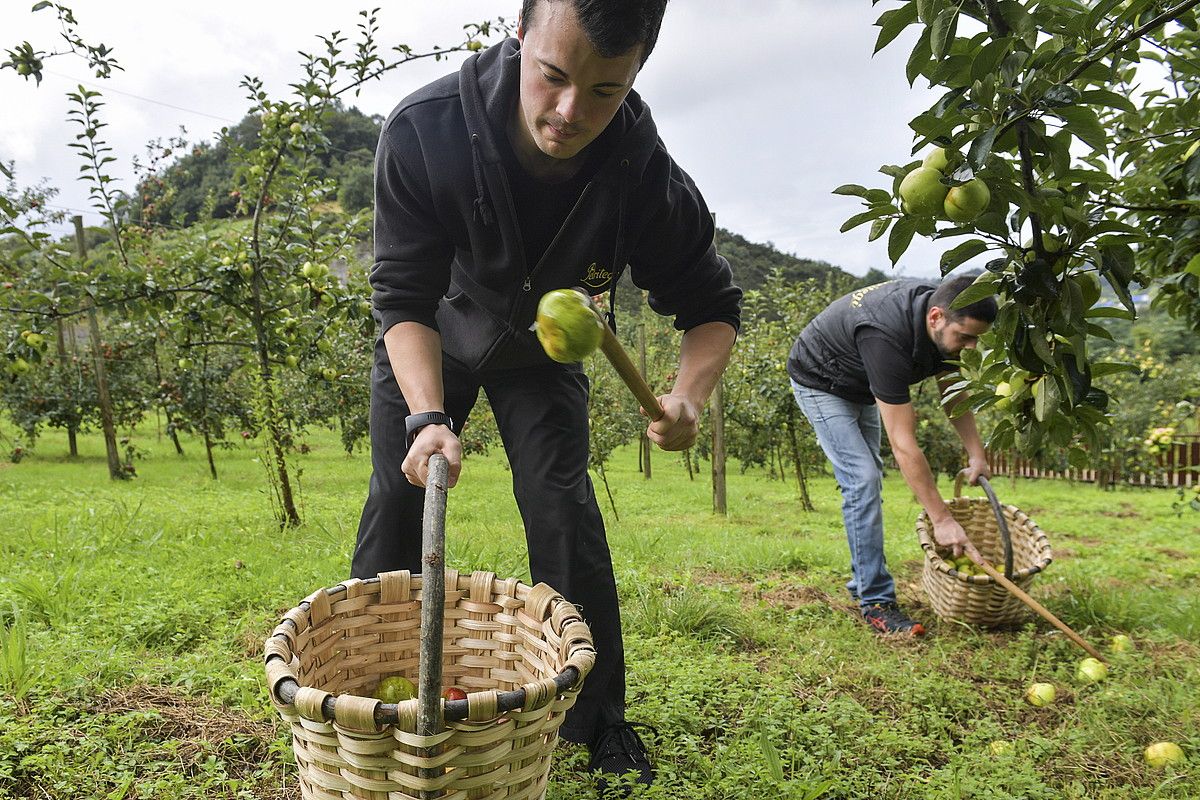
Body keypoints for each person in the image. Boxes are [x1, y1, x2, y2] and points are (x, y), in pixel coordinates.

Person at [352, 0, 741, 792]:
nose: (569, 113)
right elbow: (401, 298)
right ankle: (363, 702)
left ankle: (595, 721)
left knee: (564, 511)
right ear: (520, 33)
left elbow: (712, 308)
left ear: (635, 74)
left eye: (604, 91)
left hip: (546, 354)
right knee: (399, 499)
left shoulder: (644, 175)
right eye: (552, 77)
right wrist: (426, 417)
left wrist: (689, 396)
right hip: (436, 332)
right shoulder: (426, 129)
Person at [787, 275, 996, 636]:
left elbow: (953, 394)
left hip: (859, 380)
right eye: (965, 337)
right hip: (819, 378)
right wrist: (942, 520)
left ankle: (863, 582)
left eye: (976, 337)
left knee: (866, 479)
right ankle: (876, 602)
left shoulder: (942, 330)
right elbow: (904, 443)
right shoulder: (886, 336)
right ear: (935, 318)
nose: (972, 346)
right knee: (862, 479)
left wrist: (976, 452)